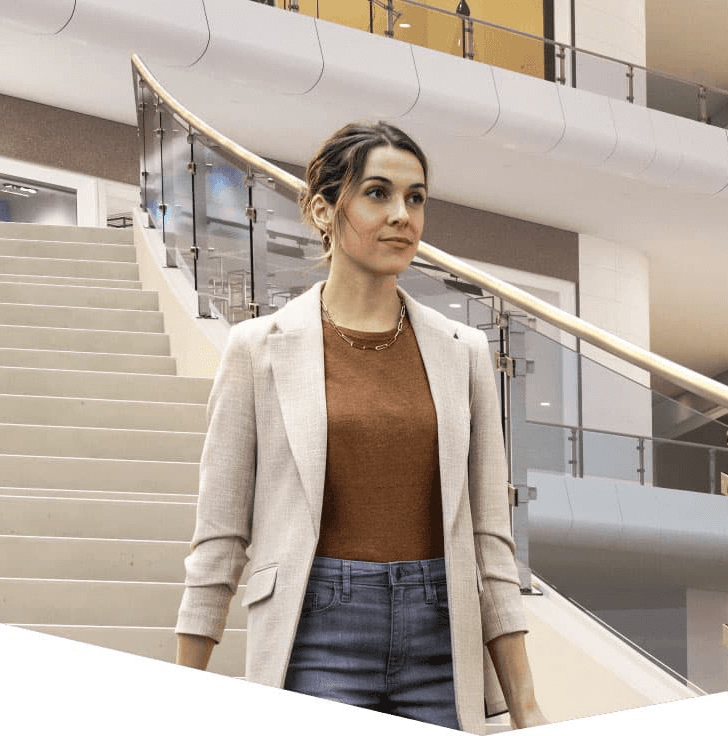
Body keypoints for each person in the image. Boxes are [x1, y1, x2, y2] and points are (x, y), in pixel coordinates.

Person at [173, 121, 545, 730]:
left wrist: (524, 702)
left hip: (443, 639)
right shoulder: (257, 349)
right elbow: (219, 536)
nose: (402, 215)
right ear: (323, 209)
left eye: (416, 198)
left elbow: (491, 540)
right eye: (378, 193)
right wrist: (183, 689)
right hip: (314, 633)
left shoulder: (466, 351)